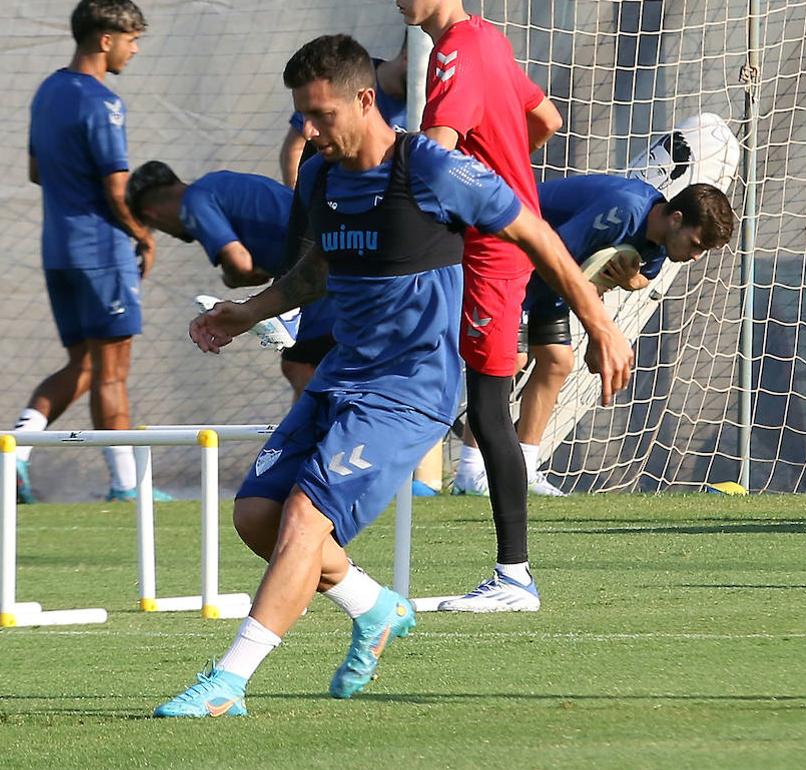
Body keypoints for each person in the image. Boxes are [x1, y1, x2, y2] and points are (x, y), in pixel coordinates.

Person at [154, 34, 630, 719]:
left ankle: (229, 680)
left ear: (366, 99)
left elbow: (536, 235)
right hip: (342, 371)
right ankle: (373, 606)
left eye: (321, 116)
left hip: (411, 389)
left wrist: (603, 325)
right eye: (302, 117)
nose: (309, 132)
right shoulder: (320, 177)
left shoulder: (430, 169)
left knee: (301, 520)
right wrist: (244, 313)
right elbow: (319, 270)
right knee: (256, 517)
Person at [398, 0, 632, 612]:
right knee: (459, 382)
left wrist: (472, 182)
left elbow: (435, 149)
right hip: (486, 241)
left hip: (488, 252)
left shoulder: (453, 51)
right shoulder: (488, 39)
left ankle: (513, 576)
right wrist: (496, 170)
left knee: (489, 407)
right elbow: (546, 119)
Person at [0, 0, 155, 503]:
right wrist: (143, 235)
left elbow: (37, 170)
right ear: (106, 39)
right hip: (101, 250)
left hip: (57, 249)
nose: (135, 48)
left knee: (83, 364)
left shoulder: (47, 91)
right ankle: (126, 486)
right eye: (132, 38)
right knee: (112, 371)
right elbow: (118, 190)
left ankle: (14, 446)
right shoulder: (103, 101)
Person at [513, 177, 736, 498]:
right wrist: (598, 331)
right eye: (696, 244)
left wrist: (631, 281)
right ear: (676, 219)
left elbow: (639, 277)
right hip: (516, 263)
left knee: (557, 362)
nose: (696, 256)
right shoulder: (625, 210)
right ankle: (473, 469)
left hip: (549, 283)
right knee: (511, 360)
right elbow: (553, 254)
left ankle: (521, 471)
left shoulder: (657, 240)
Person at [126, 162, 336, 400]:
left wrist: (231, 279)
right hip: (327, 251)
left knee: (302, 367)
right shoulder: (217, 182)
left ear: (151, 215)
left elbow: (240, 263)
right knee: (317, 364)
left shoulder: (192, 202)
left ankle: (315, 435)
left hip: (316, 273)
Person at [279, 37, 409, 187]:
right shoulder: (340, 76)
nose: (309, 132)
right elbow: (295, 148)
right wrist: (297, 200)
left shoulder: (427, 166)